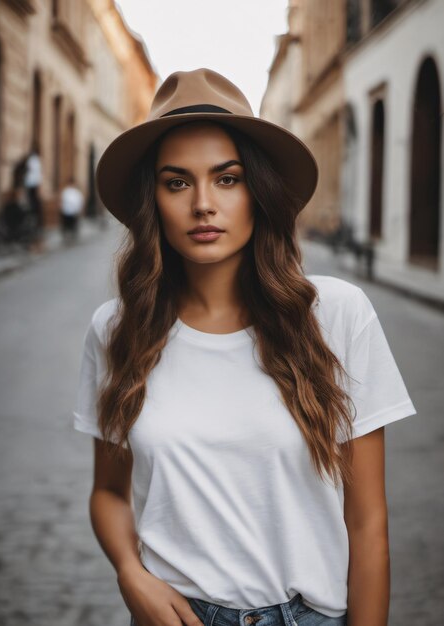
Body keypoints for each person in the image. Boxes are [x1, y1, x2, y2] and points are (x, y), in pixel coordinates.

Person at [73, 69, 417, 626]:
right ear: (151, 199)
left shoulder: (335, 315)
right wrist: (130, 573)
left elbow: (369, 525)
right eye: (177, 182)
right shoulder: (117, 330)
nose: (203, 203)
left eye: (227, 179)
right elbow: (108, 493)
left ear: (258, 190)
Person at [23, 141, 44, 251]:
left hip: (30, 186)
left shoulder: (30, 160)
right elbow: (36, 177)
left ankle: (35, 234)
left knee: (33, 210)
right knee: (36, 211)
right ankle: (35, 234)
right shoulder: (36, 161)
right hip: (33, 187)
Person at [59, 176, 84, 244]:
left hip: (73, 212)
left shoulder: (76, 192)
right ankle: (67, 238)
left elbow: (80, 202)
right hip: (66, 212)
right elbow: (62, 201)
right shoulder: (66, 191)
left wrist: (79, 210)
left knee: (73, 226)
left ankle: (72, 238)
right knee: (67, 226)